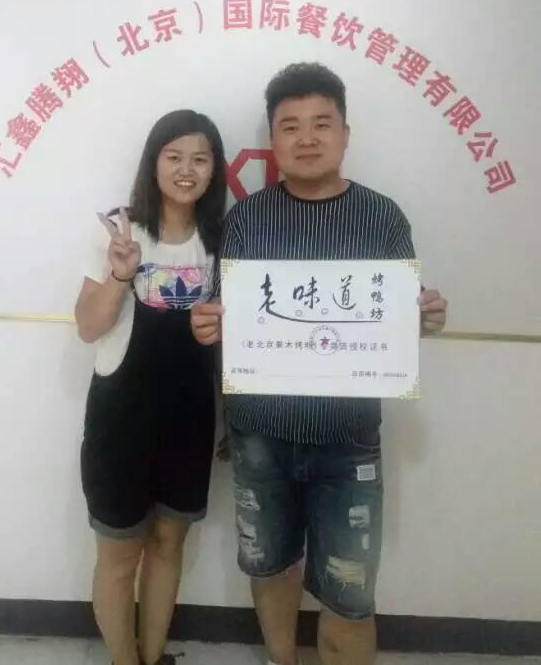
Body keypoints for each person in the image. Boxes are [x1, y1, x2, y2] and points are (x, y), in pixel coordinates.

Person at [191, 63, 448, 665]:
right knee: (270, 567)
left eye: (321, 124)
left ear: (345, 134)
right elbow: (227, 315)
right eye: (290, 126)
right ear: (273, 140)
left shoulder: (383, 217)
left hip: (348, 440)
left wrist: (422, 319)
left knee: (351, 597)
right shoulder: (246, 219)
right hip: (259, 434)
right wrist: (208, 324)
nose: (306, 138)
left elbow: (395, 317)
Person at [75, 109, 227, 665]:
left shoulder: (222, 240)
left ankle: (154, 654)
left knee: (168, 543)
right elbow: (88, 326)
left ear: (215, 170)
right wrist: (121, 274)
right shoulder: (120, 231)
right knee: (120, 557)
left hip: (190, 420)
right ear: (154, 162)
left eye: (200, 159)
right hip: (120, 422)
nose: (187, 169)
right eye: (174, 156)